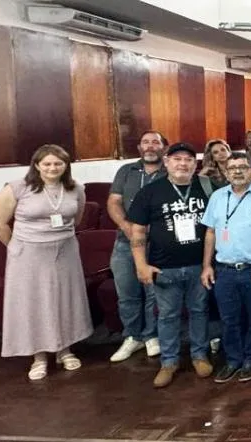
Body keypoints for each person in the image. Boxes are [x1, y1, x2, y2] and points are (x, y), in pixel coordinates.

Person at [0, 144, 91, 380]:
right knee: (34, 304)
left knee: (65, 301)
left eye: (58, 163)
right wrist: (14, 246)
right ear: (37, 165)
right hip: (28, 255)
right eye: (47, 163)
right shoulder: (17, 188)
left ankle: (64, 350)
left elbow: (76, 218)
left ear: (66, 166)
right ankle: (39, 357)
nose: (52, 168)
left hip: (65, 251)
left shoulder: (75, 188)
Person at [129, 142, 213, 388]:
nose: (183, 164)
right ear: (166, 162)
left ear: (195, 164)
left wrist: (210, 264)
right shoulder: (151, 192)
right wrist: (140, 265)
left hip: (199, 264)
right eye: (177, 159)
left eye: (188, 159)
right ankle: (169, 361)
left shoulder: (207, 188)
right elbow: (137, 232)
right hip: (164, 267)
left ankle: (199, 355)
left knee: (199, 312)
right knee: (167, 316)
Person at [201, 152, 251, 384]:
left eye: (242, 167)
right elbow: (210, 232)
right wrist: (207, 265)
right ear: (226, 172)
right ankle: (233, 360)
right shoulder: (217, 197)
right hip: (224, 269)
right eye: (232, 167)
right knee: (229, 319)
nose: (237, 171)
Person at [106, 130, 167, 363]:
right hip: (125, 242)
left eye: (155, 142)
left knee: (154, 293)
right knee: (127, 293)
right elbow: (113, 202)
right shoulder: (126, 171)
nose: (150, 146)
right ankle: (132, 336)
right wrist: (126, 226)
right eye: (146, 142)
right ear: (140, 147)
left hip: (157, 243)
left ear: (163, 147)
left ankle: (152, 335)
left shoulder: (168, 171)